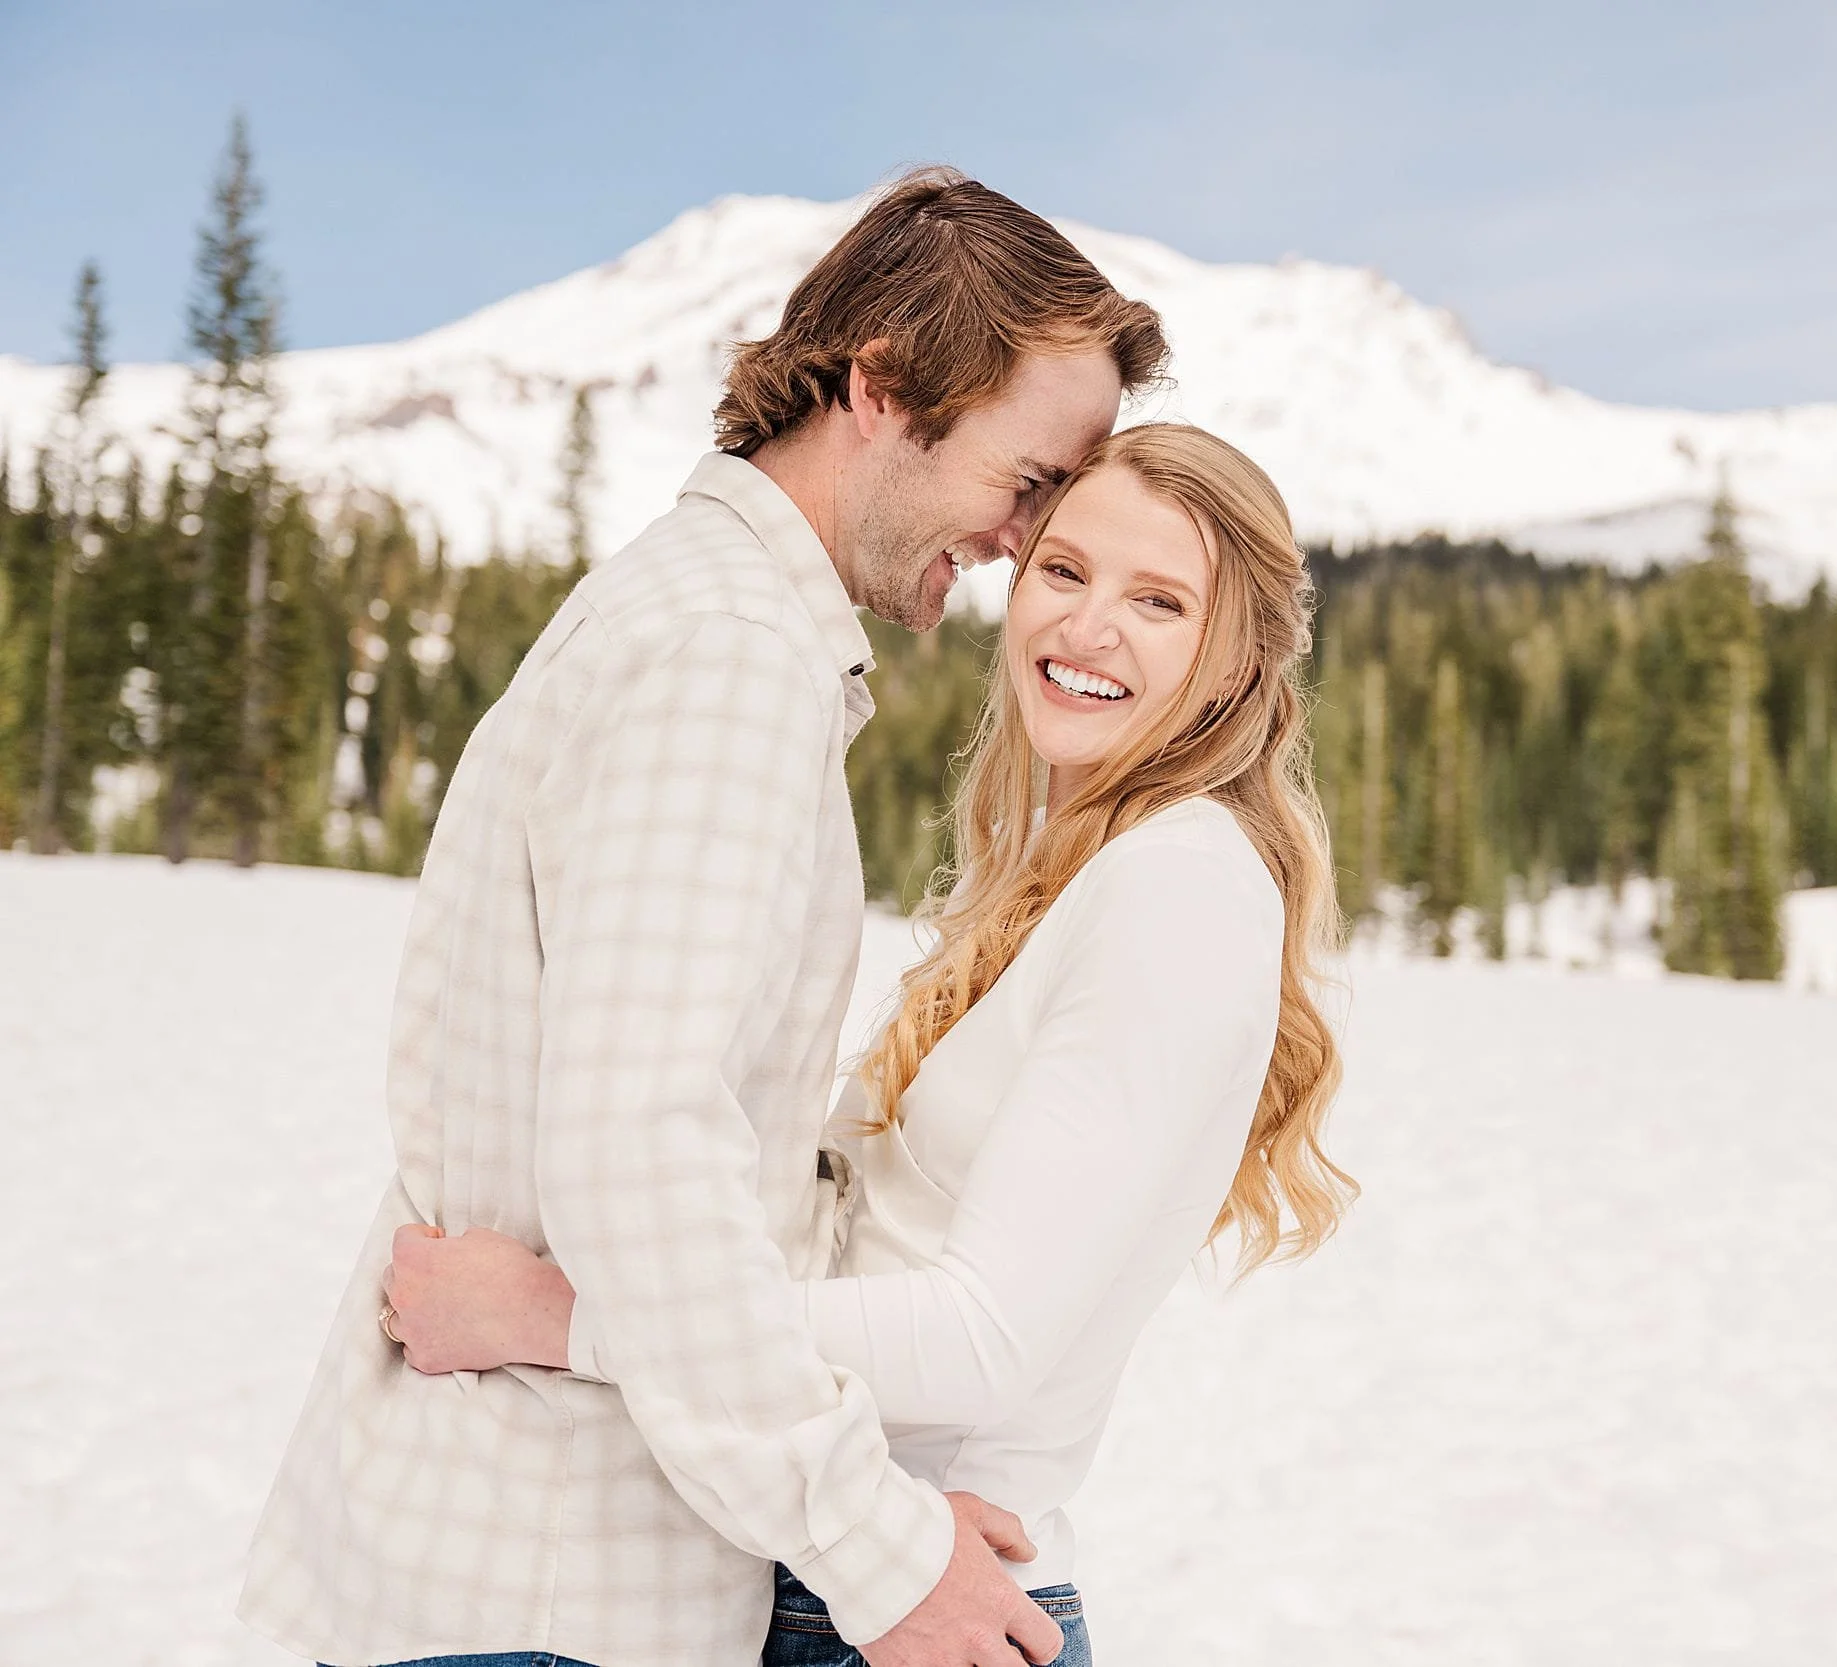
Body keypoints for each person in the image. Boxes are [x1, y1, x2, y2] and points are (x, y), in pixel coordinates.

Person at [240, 167, 1169, 1667]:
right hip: (556, 1574)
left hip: (521, 1555)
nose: (1023, 538)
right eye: (1026, 479)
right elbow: (642, 1146)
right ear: (881, 387)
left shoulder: (698, 617)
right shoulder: (726, 657)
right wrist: (878, 1549)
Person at [379, 423, 1356, 1667]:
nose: (1088, 627)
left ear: (1236, 664)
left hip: (920, 1598)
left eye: (1159, 601)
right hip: (850, 1573)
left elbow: (978, 1341)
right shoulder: (1089, 870)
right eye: (1064, 572)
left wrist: (561, 1314)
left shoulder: (1177, 885)